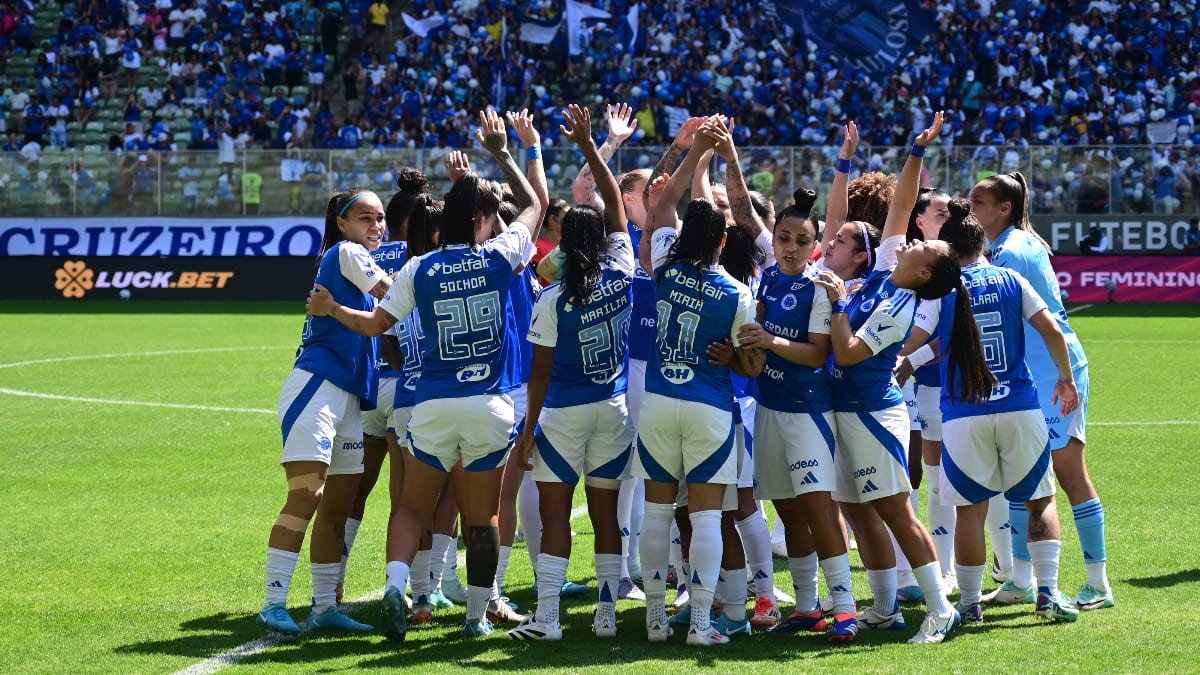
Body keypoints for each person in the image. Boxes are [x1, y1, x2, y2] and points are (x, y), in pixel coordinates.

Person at [307, 109, 545, 640]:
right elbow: (538, 205)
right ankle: (476, 617)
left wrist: (330, 310)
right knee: (481, 519)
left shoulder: (418, 267)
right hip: (490, 404)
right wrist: (508, 151)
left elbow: (375, 325)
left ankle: (396, 589)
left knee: (411, 504)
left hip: (431, 402)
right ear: (483, 219)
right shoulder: (500, 257)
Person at [814, 112, 964, 645]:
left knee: (897, 513)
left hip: (873, 416)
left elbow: (850, 353)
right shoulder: (884, 273)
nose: (916, 239)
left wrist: (834, 303)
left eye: (927, 247)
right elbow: (901, 206)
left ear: (925, 272)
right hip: (847, 411)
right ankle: (883, 608)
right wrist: (916, 151)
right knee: (856, 509)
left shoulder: (899, 304)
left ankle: (941, 608)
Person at [507, 105, 636, 641]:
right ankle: (606, 615)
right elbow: (618, 215)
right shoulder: (624, 268)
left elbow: (539, 374)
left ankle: (549, 619)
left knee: (556, 515)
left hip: (561, 414)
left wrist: (529, 429)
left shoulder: (552, 298)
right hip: (615, 408)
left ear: (564, 246)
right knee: (607, 516)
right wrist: (593, 146)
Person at [635, 117, 763, 647]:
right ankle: (705, 625)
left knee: (658, 513)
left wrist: (695, 153)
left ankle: (655, 621)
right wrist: (734, 355)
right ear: (725, 240)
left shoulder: (664, 267)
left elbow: (660, 205)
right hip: (709, 407)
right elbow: (751, 369)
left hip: (659, 404)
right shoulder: (737, 294)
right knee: (708, 517)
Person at [971, 171, 1113, 611]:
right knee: (1022, 478)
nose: (970, 206)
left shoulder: (1009, 252)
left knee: (1069, 476)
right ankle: (1020, 580)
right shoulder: (1012, 244)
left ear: (1004, 208)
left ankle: (1098, 583)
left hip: (1054, 374)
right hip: (1031, 374)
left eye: (978, 201)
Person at [935, 200, 1082, 624]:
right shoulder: (1010, 279)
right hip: (1018, 406)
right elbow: (1053, 328)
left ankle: (968, 604)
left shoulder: (942, 288)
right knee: (1039, 500)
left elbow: (918, 340)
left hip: (964, 414)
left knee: (970, 511)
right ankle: (1049, 593)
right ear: (983, 243)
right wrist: (1065, 378)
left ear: (946, 248)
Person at [256, 186, 390, 637]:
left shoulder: (353, 256)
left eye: (380, 218)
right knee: (307, 495)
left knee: (339, 503)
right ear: (343, 224)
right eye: (366, 218)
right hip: (316, 386)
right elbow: (393, 294)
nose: (376, 226)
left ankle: (325, 606)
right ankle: (273, 602)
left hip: (348, 397)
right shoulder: (348, 252)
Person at [734, 184, 862, 642]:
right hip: (768, 408)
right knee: (788, 512)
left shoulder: (821, 286)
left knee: (819, 512)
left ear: (815, 246)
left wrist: (766, 340)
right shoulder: (767, 279)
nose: (789, 248)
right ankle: (808, 606)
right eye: (783, 238)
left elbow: (816, 354)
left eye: (800, 241)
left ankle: (844, 607)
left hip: (808, 413)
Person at [338, 167, 434, 610]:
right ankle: (417, 593)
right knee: (408, 498)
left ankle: (331, 583)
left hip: (363, 387)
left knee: (354, 491)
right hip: (404, 385)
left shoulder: (356, 255)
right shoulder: (421, 263)